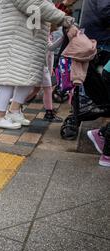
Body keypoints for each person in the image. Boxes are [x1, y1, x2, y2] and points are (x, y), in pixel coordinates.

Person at [0, 0, 74, 130]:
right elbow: (35, 4)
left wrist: (61, 7)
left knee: (29, 78)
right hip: (14, 40)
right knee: (7, 79)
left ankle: (14, 111)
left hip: (28, 40)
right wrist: (63, 18)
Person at [83, 0, 110, 167]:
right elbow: (106, 9)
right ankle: (107, 153)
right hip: (102, 40)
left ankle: (101, 134)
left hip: (97, 39)